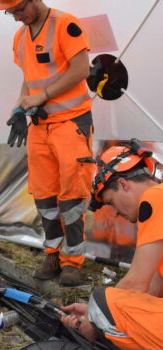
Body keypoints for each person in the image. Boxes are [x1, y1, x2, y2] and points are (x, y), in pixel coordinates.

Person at [0, 0, 94, 285]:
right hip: (39, 124)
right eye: (10, 13)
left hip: (71, 123)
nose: (16, 18)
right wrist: (19, 107)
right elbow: (30, 79)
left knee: (72, 195)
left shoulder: (66, 24)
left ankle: (73, 261)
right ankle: (53, 253)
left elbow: (80, 70)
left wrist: (42, 96)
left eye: (18, 10)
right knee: (44, 196)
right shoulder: (21, 36)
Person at [61, 139, 163, 349]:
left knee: (103, 299)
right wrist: (94, 314)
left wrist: (95, 317)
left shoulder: (155, 198)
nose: (115, 213)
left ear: (124, 185)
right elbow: (154, 288)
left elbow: (136, 284)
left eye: (111, 202)